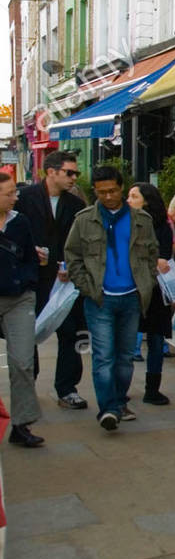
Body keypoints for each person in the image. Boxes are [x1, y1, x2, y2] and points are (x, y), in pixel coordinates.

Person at [64, 165, 159, 432]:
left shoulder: (141, 220)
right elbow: (73, 256)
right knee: (104, 356)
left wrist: (147, 283)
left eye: (113, 191)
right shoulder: (84, 220)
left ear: (121, 188)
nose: (108, 196)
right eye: (102, 192)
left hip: (132, 297)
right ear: (95, 191)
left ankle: (118, 401)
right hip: (100, 299)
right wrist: (87, 287)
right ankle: (109, 409)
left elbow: (152, 254)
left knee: (126, 357)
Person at [15, 149, 87, 411]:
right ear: (51, 172)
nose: (74, 178)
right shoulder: (24, 198)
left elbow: (79, 242)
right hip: (32, 279)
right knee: (27, 334)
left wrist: (70, 265)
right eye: (69, 172)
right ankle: (28, 385)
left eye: (76, 173)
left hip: (64, 280)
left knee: (71, 333)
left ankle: (67, 388)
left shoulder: (76, 205)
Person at [0, 173, 44, 447]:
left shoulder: (20, 222)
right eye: (9, 193)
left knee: (23, 362)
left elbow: (31, 257)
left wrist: (28, 280)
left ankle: (21, 424)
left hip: (19, 299)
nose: (15, 197)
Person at [127, 183, 174, 405]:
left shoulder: (162, 226)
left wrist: (159, 261)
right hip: (130, 289)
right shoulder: (124, 223)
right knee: (125, 340)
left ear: (146, 200)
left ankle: (152, 389)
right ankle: (121, 387)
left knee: (156, 340)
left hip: (155, 291)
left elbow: (165, 257)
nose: (128, 200)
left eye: (133, 196)